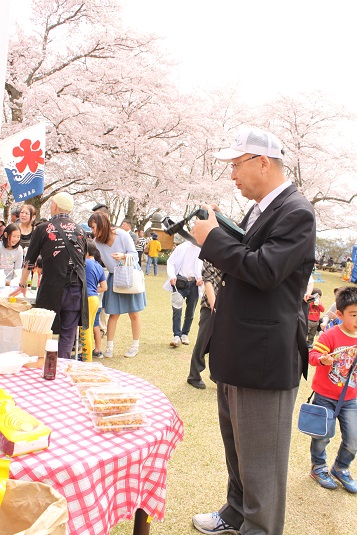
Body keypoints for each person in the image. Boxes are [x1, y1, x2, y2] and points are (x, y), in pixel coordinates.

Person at [191, 126, 316, 535]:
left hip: (265, 355)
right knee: (238, 451)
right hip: (240, 346)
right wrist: (220, 231)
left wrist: (212, 240)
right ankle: (234, 513)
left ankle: (258, 527)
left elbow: (264, 270)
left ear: (263, 161)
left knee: (261, 460)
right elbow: (245, 254)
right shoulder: (263, 209)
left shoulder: (297, 211)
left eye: (236, 165)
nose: (232, 175)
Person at [10, 192, 89, 359]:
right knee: (68, 335)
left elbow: (29, 262)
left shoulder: (42, 228)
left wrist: (22, 285)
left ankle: (40, 365)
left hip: (53, 287)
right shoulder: (81, 231)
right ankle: (60, 367)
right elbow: (82, 261)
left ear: (55, 207)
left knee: (42, 330)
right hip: (77, 288)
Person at [308, 286, 357, 493]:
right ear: (339, 314)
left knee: (353, 438)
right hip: (325, 396)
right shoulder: (330, 336)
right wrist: (323, 359)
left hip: (351, 399)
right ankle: (318, 467)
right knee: (322, 436)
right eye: (354, 314)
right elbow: (312, 357)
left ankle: (341, 468)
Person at [88, 211, 146, 358]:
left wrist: (123, 256)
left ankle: (135, 345)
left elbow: (135, 256)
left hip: (130, 274)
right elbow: (92, 259)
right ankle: (109, 347)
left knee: (134, 313)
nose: (92, 231)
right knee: (113, 313)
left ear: (102, 225)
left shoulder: (122, 234)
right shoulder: (96, 243)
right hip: (114, 277)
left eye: (94, 227)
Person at [187, 261, 222, 389]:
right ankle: (194, 375)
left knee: (221, 343)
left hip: (226, 308)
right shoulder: (210, 258)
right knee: (203, 341)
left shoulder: (231, 253)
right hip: (209, 307)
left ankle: (216, 375)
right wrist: (215, 308)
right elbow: (208, 282)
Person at [163, 240, 203, 348]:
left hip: (194, 284)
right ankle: (176, 335)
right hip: (180, 282)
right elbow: (171, 262)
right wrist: (172, 276)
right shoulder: (181, 247)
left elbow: (206, 266)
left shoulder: (203, 248)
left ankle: (185, 334)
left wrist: (201, 278)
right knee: (177, 310)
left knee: (190, 312)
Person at [79, 239, 107, 361]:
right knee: (90, 328)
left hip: (86, 299)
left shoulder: (84, 264)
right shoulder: (98, 266)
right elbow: (104, 287)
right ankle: (87, 356)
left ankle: (86, 358)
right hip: (95, 299)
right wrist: (93, 290)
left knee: (85, 329)